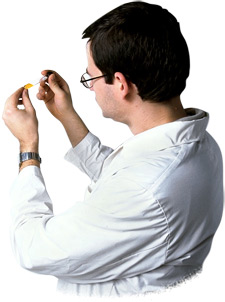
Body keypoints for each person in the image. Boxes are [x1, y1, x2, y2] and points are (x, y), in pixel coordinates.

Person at [2, 1, 223, 297]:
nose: (90, 87)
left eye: (91, 77)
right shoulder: (200, 145)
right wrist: (67, 115)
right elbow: (119, 176)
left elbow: (33, 249)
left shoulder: (144, 187)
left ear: (120, 83)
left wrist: (28, 148)